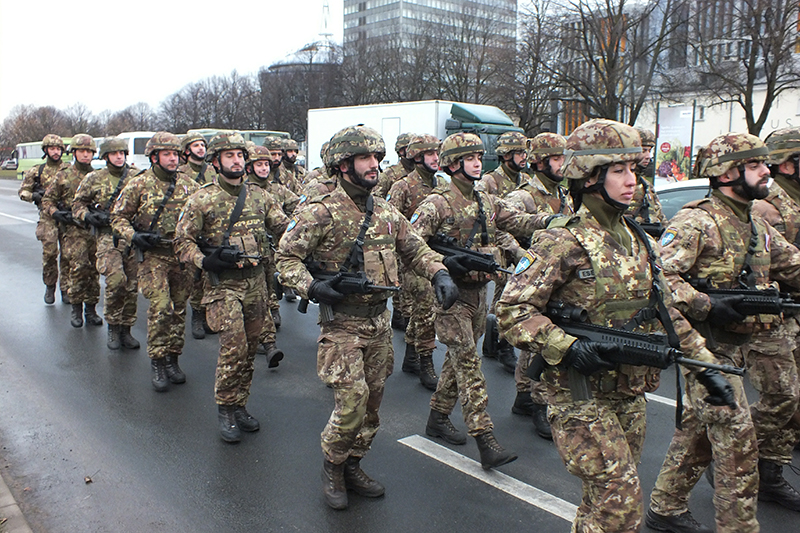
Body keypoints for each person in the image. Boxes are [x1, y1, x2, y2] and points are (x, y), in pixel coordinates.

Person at [496, 119, 736, 533]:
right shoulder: (562, 241)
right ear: (591, 176)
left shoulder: (638, 237)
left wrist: (705, 366)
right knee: (621, 509)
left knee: (601, 507)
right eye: (620, 171)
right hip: (579, 397)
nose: (633, 182)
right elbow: (512, 310)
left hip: (628, 395)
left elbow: (667, 310)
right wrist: (565, 346)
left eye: (634, 171)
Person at [275, 125, 458, 510]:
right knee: (353, 401)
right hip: (341, 323)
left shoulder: (387, 211)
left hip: (378, 323)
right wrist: (311, 287)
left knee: (373, 405)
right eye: (364, 158)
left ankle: (353, 463)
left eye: (377, 158)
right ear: (343, 165)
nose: (374, 165)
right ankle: (332, 467)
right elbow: (285, 259)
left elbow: (415, 248)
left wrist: (439, 272)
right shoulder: (320, 213)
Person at [646, 132, 800, 533]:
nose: (766, 171)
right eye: (755, 166)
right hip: (703, 349)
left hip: (744, 344)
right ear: (727, 173)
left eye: (764, 163)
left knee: (698, 430)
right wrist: (706, 304)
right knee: (736, 441)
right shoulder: (698, 221)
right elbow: (657, 279)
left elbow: (793, 265)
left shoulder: (755, 223)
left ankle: (665, 507)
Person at [410, 132, 538, 469]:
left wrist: (555, 222)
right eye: (470, 158)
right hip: (451, 296)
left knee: (456, 362)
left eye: (480, 157)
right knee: (469, 364)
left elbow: (517, 221)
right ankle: (485, 439)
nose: (478, 163)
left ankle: (437, 418)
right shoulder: (436, 203)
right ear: (453, 164)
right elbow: (411, 244)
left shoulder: (486, 201)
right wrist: (442, 265)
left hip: (480, 295)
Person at [176, 133, 289, 442]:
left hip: (255, 283)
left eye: (240, 155)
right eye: (229, 156)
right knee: (234, 346)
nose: (237, 160)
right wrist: (204, 260)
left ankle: (240, 403)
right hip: (223, 286)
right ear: (216, 162)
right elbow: (182, 241)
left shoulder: (260, 196)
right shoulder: (202, 198)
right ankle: (226, 408)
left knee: (251, 348)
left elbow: (284, 229)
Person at [111, 132, 199, 392]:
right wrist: (134, 236)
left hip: (181, 256)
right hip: (153, 256)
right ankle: (158, 361)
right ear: (154, 157)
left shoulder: (189, 185)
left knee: (180, 308)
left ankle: (173, 358)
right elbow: (117, 218)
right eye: (167, 154)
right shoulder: (139, 184)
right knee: (161, 307)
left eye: (175, 154)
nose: (173, 159)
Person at [744, 127, 800, 511]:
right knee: (782, 395)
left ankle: (770, 468)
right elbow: (768, 266)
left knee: (792, 399)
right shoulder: (766, 205)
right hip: (768, 315)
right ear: (788, 163)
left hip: (793, 311)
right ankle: (744, 459)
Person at [502, 132, 571, 440]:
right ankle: (538, 403)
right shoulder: (525, 195)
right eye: (557, 159)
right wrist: (524, 251)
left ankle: (524, 395)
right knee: (538, 335)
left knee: (545, 332)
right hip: (534, 275)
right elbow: (500, 220)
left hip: (560, 275)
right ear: (540, 162)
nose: (562, 165)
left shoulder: (565, 194)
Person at [386, 133, 446, 389]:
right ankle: (425, 361)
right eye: (431, 154)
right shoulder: (402, 186)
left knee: (423, 312)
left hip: (436, 256)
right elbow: (389, 224)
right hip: (410, 259)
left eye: (438, 153)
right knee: (427, 308)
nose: (436, 159)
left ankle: (411, 356)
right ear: (417, 157)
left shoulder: (441, 184)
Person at [73, 138, 140, 350]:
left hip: (131, 238)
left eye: (122, 153)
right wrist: (88, 216)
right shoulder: (94, 178)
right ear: (105, 156)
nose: (119, 156)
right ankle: (113, 325)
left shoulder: (137, 177)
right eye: (114, 153)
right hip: (107, 237)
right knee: (116, 280)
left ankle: (126, 328)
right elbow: (77, 204)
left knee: (131, 285)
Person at [478, 131, 530, 374]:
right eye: (519, 153)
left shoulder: (525, 181)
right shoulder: (489, 182)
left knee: (506, 298)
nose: (523, 157)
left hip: (521, 247)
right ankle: (502, 344)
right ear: (505, 155)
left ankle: (495, 341)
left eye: (524, 152)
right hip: (501, 248)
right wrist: (513, 248)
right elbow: (488, 221)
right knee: (506, 296)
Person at [41, 134, 102, 328]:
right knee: (78, 267)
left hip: (93, 229)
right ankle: (76, 307)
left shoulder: (98, 176)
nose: (86, 155)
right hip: (72, 230)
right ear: (74, 153)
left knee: (94, 270)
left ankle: (91, 309)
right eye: (82, 151)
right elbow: (47, 200)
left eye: (89, 151)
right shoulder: (64, 175)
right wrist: (57, 213)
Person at [244, 144, 289, 362]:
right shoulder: (234, 192)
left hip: (264, 253)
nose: (263, 168)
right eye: (258, 164)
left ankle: (269, 342)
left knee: (265, 293)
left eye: (266, 164)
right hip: (234, 262)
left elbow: (283, 223)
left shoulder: (271, 191)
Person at [18, 134, 71, 304]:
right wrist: (34, 195)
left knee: (68, 255)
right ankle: (50, 287)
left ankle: (66, 289)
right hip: (47, 218)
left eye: (58, 149)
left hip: (65, 217)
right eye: (52, 149)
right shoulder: (37, 170)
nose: (56, 152)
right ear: (46, 150)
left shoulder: (69, 169)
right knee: (49, 254)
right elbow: (23, 191)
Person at [178, 132, 216, 339]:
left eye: (203, 145)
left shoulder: (213, 171)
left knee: (208, 277)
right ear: (187, 150)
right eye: (196, 145)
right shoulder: (180, 172)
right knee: (194, 276)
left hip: (210, 229)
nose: (201, 148)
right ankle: (196, 316)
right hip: (190, 227)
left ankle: (207, 314)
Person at [627, 126, 667, 234]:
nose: (648, 156)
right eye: (643, 151)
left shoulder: (647, 186)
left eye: (649, 151)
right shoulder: (620, 185)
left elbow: (660, 218)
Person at [374, 132, 415, 199]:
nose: (414, 151)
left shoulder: (419, 173)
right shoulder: (388, 174)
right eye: (410, 148)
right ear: (401, 151)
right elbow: (376, 200)